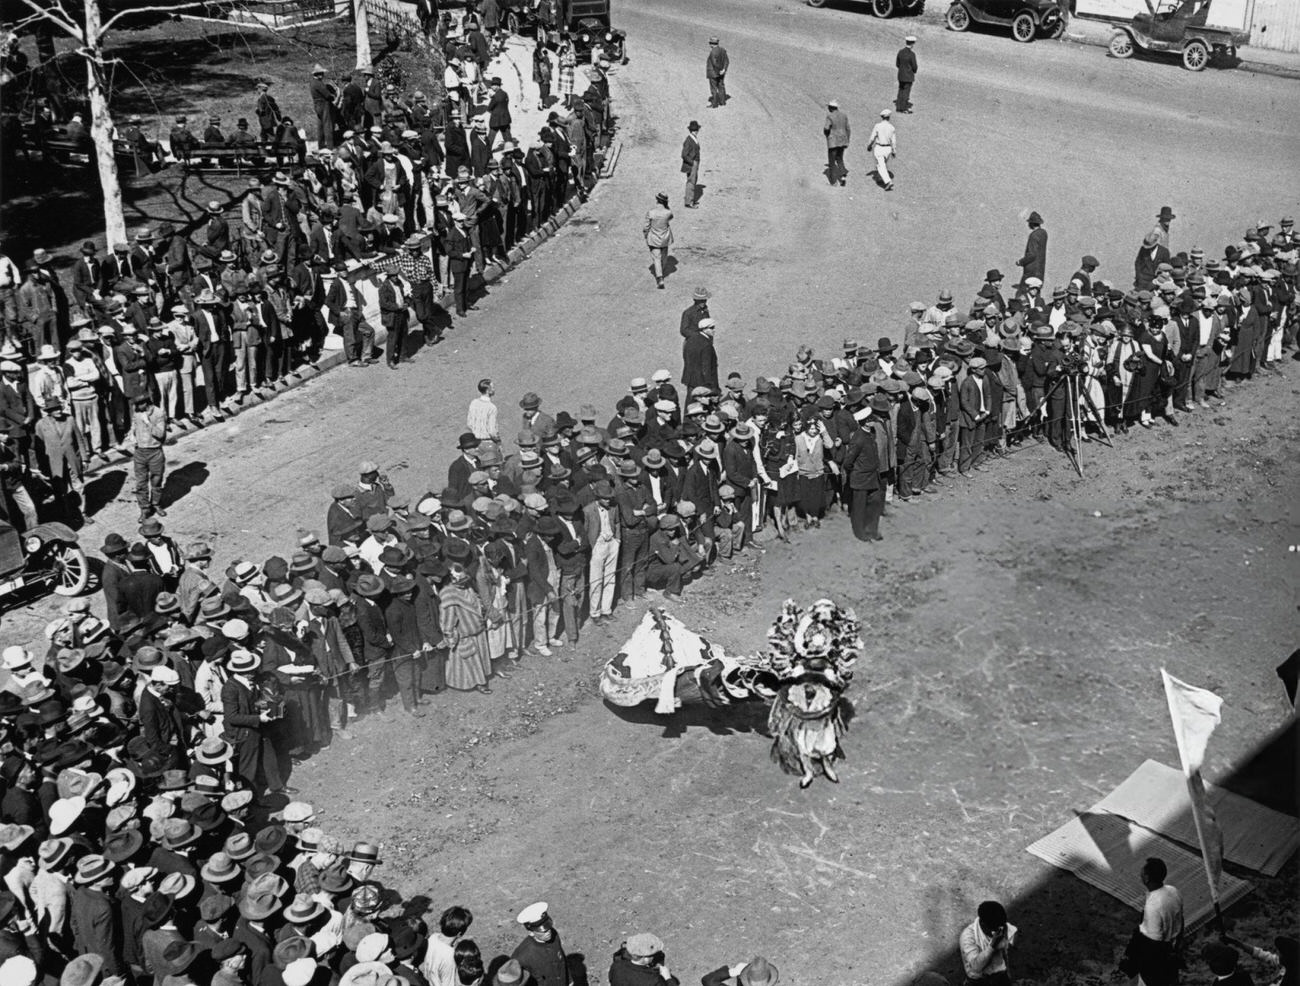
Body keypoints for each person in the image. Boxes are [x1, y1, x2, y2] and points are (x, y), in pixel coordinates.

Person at [1118, 858, 1183, 986]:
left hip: (1156, 962)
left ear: (1147, 878)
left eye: (1142, 872)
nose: (1140, 874)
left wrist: (1135, 963)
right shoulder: (1173, 891)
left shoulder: (1153, 907)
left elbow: (1152, 944)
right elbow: (1181, 920)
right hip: (1172, 949)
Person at [960, 901, 1017, 986]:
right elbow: (976, 967)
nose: (999, 931)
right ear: (983, 924)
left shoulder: (999, 926)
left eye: (1000, 927)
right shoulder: (968, 936)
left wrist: (1007, 973)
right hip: (978, 981)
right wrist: (992, 946)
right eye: (994, 929)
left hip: (1000, 976)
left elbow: (1005, 952)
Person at [130, 393, 167, 523]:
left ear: (146, 403)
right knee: (141, 483)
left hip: (155, 452)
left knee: (156, 480)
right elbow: (133, 426)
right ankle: (144, 509)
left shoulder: (158, 413)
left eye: (140, 404)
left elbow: (161, 434)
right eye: (136, 405)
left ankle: (156, 504)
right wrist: (132, 435)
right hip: (140, 452)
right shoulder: (136, 412)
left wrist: (148, 422)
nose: (137, 407)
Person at [512, 902, 570, 986]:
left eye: (548, 927)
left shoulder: (554, 935)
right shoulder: (522, 955)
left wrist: (569, 981)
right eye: (542, 931)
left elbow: (562, 960)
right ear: (531, 932)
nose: (548, 932)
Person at [611, 933, 679, 986]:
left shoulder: (616, 965)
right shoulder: (653, 980)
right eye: (654, 955)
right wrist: (668, 978)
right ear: (645, 958)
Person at [644, 192, 674, 289]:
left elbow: (646, 226)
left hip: (654, 238)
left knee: (656, 257)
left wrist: (646, 235)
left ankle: (659, 277)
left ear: (657, 200)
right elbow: (670, 217)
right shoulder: (668, 213)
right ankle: (661, 270)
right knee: (664, 256)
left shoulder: (651, 212)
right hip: (665, 237)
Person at [682, 317, 719, 392]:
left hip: (690, 378)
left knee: (690, 400)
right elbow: (706, 367)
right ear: (704, 329)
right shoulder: (706, 345)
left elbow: (685, 356)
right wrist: (710, 385)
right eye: (711, 328)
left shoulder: (690, 340)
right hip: (702, 382)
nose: (714, 330)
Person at [866, 109, 896, 191]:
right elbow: (893, 141)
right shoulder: (892, 127)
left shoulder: (878, 126)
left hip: (879, 147)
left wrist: (869, 145)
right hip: (888, 148)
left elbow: (872, 137)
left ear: (882, 117)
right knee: (883, 164)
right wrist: (894, 150)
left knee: (880, 165)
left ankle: (888, 181)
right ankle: (880, 178)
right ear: (889, 117)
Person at [1016, 211, 1047, 288]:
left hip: (1031, 270)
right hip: (1040, 269)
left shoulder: (1033, 235)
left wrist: (1021, 262)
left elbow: (1032, 255)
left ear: (1032, 224)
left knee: (1023, 291)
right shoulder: (1043, 233)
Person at [823, 100, 850, 187]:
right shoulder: (844, 116)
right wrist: (847, 140)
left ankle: (833, 182)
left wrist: (827, 135)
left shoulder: (830, 116)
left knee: (832, 161)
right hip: (843, 140)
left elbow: (826, 128)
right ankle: (843, 176)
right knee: (840, 158)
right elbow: (848, 129)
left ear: (831, 108)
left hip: (833, 141)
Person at [701, 957, 780, 986]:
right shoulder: (742, 974)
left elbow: (708, 980)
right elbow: (708, 980)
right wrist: (732, 972)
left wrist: (733, 972)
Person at [681, 121, 701, 209]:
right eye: (696, 129)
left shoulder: (692, 138)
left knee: (693, 181)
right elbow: (684, 155)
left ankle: (690, 199)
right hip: (692, 163)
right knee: (691, 182)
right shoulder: (689, 140)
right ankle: (689, 202)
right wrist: (692, 162)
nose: (697, 131)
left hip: (695, 163)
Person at [895, 36, 917, 113]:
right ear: (912, 44)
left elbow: (897, 64)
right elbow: (914, 66)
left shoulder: (900, 52)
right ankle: (904, 108)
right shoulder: (912, 54)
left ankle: (899, 106)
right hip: (908, 76)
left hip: (901, 75)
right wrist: (913, 71)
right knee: (906, 92)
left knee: (900, 90)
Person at [706, 38, 729, 108]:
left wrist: (719, 70)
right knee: (721, 86)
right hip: (721, 73)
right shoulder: (723, 50)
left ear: (711, 44)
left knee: (714, 88)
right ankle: (722, 102)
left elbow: (714, 63)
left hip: (713, 73)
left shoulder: (713, 52)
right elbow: (727, 61)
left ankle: (714, 104)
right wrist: (724, 69)